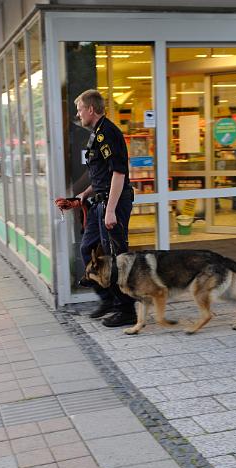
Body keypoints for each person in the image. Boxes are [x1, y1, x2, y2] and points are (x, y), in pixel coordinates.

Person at [55, 89, 137, 328]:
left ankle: (126, 310)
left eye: (80, 109)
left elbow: (119, 174)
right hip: (99, 202)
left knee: (115, 257)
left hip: (113, 203)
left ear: (91, 109)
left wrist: (110, 210)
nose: (78, 114)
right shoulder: (97, 133)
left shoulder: (109, 133)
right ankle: (109, 299)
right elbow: (102, 175)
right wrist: (83, 195)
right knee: (88, 248)